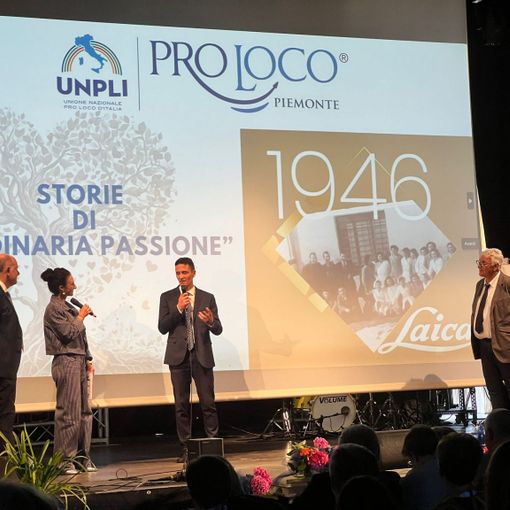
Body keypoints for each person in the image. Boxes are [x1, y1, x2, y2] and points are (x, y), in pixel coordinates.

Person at [158, 257, 223, 463]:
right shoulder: (168, 297)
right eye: (178, 273)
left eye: (184, 273)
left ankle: (213, 445)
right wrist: (178, 309)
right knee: (181, 405)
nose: (181, 277)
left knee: (208, 403)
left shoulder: (207, 297)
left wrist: (211, 322)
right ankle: (186, 448)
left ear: (193, 273)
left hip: (201, 355)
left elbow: (218, 329)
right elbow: (162, 327)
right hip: (178, 358)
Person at [40, 267, 96, 475]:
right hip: (66, 361)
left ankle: (82, 458)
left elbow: (80, 337)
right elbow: (68, 333)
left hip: (79, 360)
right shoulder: (53, 309)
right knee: (69, 413)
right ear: (61, 287)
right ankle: (65, 460)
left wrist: (88, 358)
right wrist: (81, 316)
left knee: (85, 412)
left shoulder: (68, 306)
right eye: (72, 283)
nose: (75, 286)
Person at [471, 248, 510, 409]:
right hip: (485, 346)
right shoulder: (480, 285)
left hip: (505, 345)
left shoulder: (507, 284)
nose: (479, 266)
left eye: (483, 263)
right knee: (494, 389)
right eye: (479, 263)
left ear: (496, 266)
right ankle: (500, 421)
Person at [0, 254, 22, 444]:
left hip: (6, 368)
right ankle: (4, 456)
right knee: (4, 414)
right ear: (7, 270)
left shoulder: (4, 294)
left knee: (6, 412)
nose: (18, 273)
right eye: (16, 268)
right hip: (2, 368)